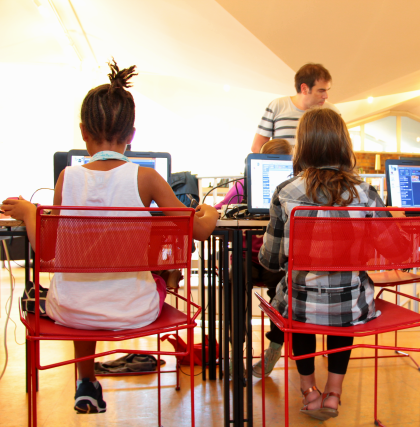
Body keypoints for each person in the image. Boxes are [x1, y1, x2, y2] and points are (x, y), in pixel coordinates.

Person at [1, 60, 218, 414]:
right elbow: (197, 228)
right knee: (162, 275)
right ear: (131, 134)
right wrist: (211, 212)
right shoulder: (146, 178)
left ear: (84, 131)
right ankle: (157, 284)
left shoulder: (66, 179)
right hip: (134, 312)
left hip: (71, 311)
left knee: (80, 288)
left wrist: (28, 212)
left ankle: (85, 380)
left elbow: (49, 252)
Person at [258, 108, 389, 420]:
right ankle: (333, 392)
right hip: (351, 304)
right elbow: (391, 248)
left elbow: (271, 259)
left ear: (304, 145)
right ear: (343, 144)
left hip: (301, 304)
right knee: (340, 303)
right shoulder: (365, 192)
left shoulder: (285, 191)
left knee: (296, 298)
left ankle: (309, 390)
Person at [211, 138, 292, 379]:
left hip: (274, 259)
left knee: (283, 297)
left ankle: (274, 350)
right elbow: (218, 212)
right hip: (246, 256)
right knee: (237, 292)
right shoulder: (241, 187)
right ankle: (237, 352)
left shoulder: (291, 191)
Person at [251, 63, 340, 153]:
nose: (326, 96)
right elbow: (257, 147)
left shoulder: (332, 112)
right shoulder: (277, 106)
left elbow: (341, 148)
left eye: (327, 90)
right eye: (321, 91)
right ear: (304, 88)